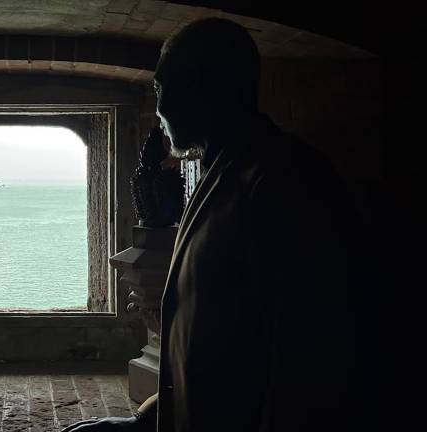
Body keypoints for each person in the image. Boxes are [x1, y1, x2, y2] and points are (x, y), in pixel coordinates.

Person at [62, 18, 375, 432]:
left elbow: (311, 361)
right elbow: (213, 350)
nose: (158, 108)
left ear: (209, 87)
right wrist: (144, 423)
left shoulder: (286, 183)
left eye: (162, 88)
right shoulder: (223, 174)